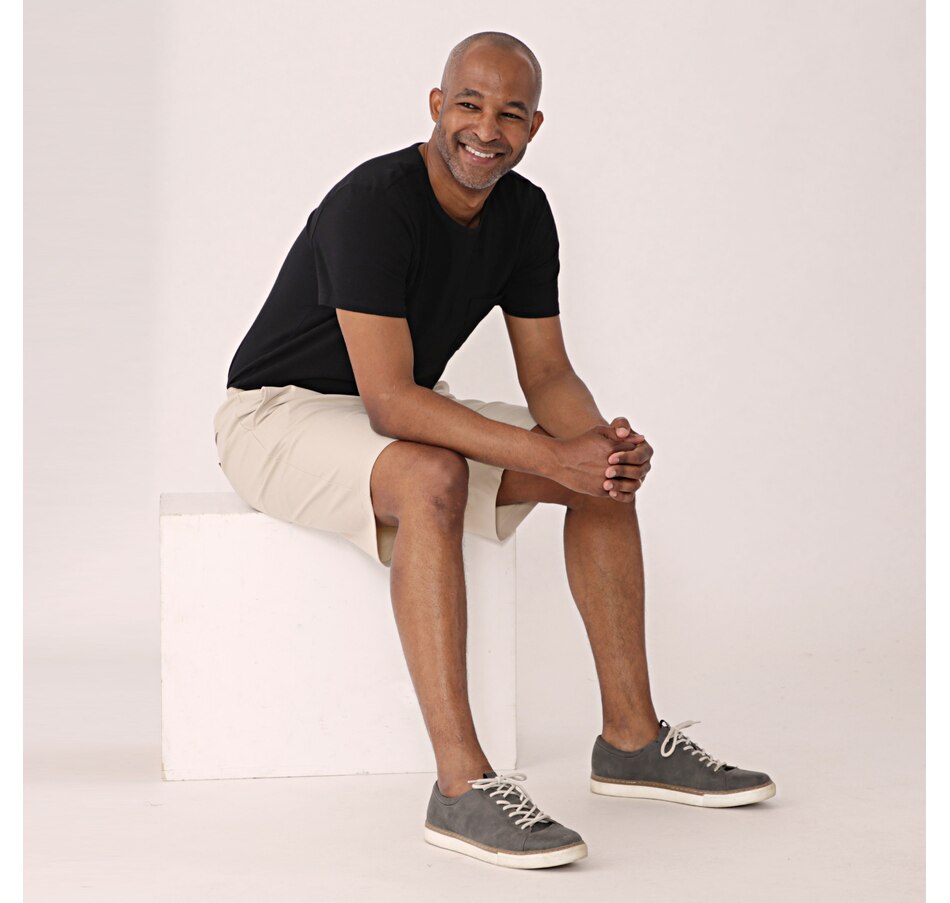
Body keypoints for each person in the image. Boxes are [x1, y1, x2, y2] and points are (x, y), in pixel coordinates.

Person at [213, 30, 776, 870]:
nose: (486, 129)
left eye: (510, 113)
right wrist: (551, 457)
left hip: (395, 404)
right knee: (432, 474)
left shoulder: (524, 213)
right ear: (437, 106)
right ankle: (461, 787)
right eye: (469, 105)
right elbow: (389, 400)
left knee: (598, 475)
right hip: (277, 413)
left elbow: (547, 371)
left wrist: (599, 447)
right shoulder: (372, 203)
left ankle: (631, 739)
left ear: (534, 126)